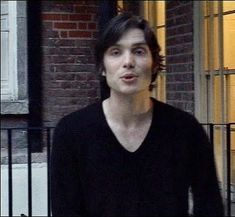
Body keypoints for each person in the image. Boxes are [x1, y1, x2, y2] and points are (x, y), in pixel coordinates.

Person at [50, 12, 224, 216]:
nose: (128, 62)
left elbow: (210, 205)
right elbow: (66, 210)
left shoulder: (185, 129)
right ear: (102, 67)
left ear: (155, 63)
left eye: (139, 51)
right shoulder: (72, 132)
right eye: (115, 52)